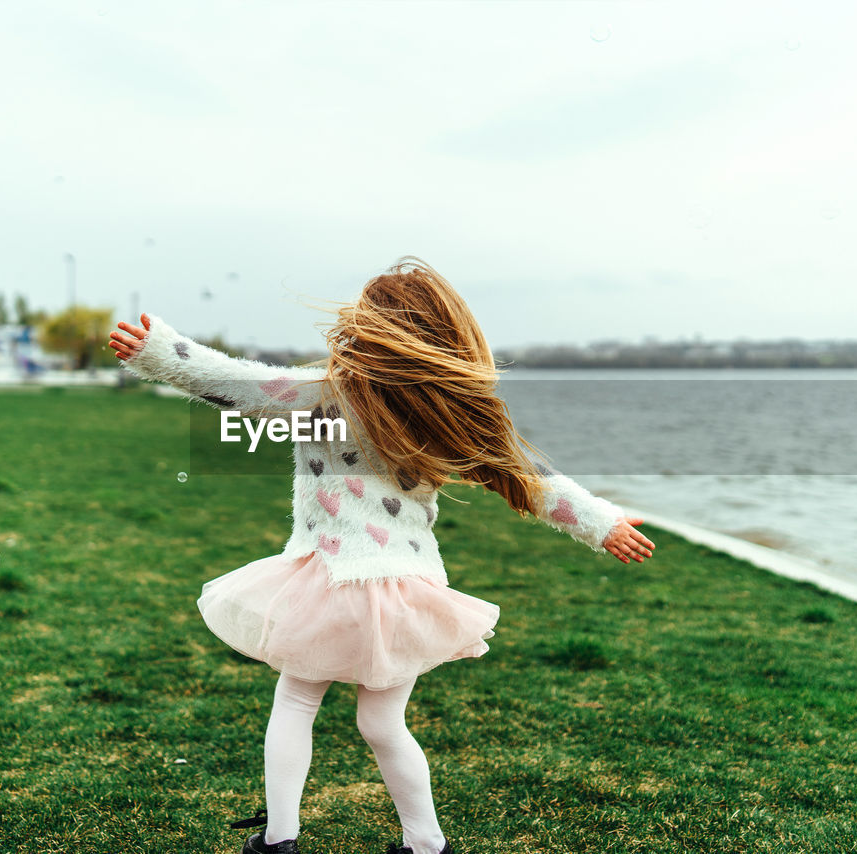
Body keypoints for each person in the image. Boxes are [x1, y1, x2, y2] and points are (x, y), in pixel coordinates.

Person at [108, 258, 655, 854]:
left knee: (295, 701)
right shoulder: (447, 415)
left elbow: (233, 381)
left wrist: (156, 349)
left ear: (367, 331)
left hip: (331, 581)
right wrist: (604, 524)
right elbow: (534, 481)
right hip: (406, 590)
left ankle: (279, 840)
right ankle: (426, 844)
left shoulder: (320, 398)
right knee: (384, 725)